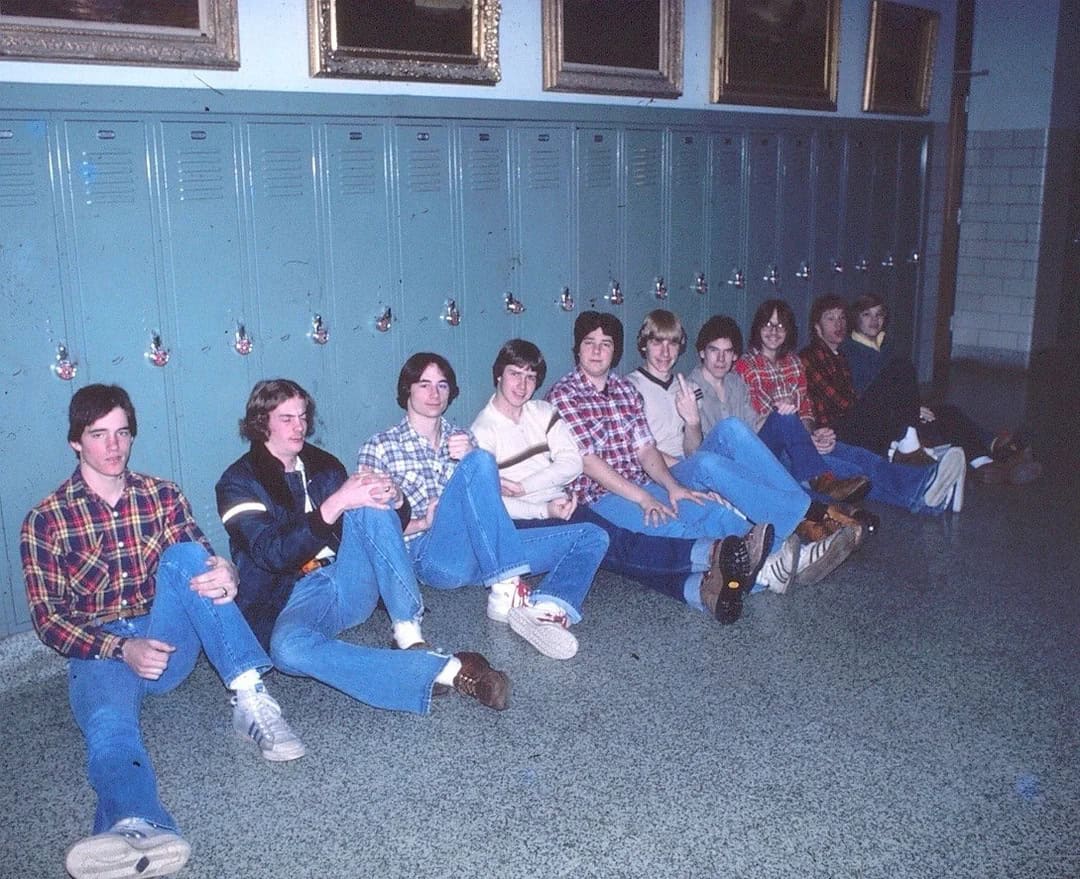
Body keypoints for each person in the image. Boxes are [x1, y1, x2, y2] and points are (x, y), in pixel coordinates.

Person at [21, 384, 304, 879]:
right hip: (103, 649)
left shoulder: (161, 495)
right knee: (110, 729)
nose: (114, 446)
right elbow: (49, 619)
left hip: (165, 635)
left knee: (188, 557)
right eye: (99, 434)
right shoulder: (46, 520)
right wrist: (120, 646)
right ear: (75, 442)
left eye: (122, 433)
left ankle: (250, 698)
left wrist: (225, 572)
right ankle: (137, 825)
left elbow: (200, 562)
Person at [215, 379, 511, 717]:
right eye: (287, 418)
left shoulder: (323, 464)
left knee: (368, 497)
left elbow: (375, 527)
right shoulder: (237, 482)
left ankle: (408, 632)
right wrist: (337, 502)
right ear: (261, 422)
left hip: (348, 575)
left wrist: (397, 500)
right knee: (287, 651)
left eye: (303, 416)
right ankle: (450, 669)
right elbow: (271, 553)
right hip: (291, 593)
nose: (299, 427)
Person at [472, 339, 777, 618]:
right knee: (621, 545)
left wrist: (525, 487)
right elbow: (493, 505)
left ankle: (699, 590)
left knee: (625, 554)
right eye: (515, 374)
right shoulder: (482, 433)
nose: (522, 384)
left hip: (563, 503)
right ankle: (714, 554)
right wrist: (543, 508)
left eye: (530, 376)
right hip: (532, 517)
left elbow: (571, 462)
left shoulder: (541, 411)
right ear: (498, 375)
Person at [358, 353, 608, 660]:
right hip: (434, 557)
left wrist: (545, 509)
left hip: (484, 554)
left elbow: (491, 507)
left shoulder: (464, 439)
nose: (434, 394)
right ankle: (507, 587)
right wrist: (423, 522)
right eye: (424, 384)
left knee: (592, 535)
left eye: (442, 385)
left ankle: (546, 608)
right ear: (406, 390)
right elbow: (372, 530)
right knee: (480, 460)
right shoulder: (379, 446)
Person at [544, 311, 773, 624]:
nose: (597, 351)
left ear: (615, 350)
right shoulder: (563, 394)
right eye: (589, 343)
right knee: (672, 526)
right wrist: (644, 498)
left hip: (643, 482)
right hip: (600, 497)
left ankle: (764, 562)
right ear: (577, 349)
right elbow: (589, 463)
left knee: (707, 509)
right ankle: (751, 577)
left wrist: (673, 486)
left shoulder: (624, 390)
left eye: (606, 343)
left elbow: (646, 448)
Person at [624, 310, 860, 591]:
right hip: (660, 474)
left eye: (672, 343)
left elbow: (694, 448)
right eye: (657, 343)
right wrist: (699, 471)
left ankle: (809, 507)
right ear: (643, 345)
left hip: (690, 463)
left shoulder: (685, 386)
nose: (665, 352)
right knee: (708, 463)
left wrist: (692, 422)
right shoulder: (629, 388)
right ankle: (810, 512)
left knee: (732, 428)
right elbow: (641, 449)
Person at [694, 311, 967, 517]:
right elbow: (704, 450)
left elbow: (757, 424)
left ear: (734, 356)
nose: (721, 359)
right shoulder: (699, 387)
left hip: (781, 446)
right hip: (751, 464)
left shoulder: (735, 382)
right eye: (714, 351)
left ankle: (928, 491)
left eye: (727, 352)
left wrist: (803, 434)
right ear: (701, 353)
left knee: (856, 456)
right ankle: (922, 488)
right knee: (849, 471)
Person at [843, 293, 1041, 485]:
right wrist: (909, 408)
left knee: (948, 413)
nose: (874, 320)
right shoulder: (850, 350)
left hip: (900, 414)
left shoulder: (886, 345)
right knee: (938, 415)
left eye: (879, 314)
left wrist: (913, 406)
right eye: (867, 314)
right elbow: (869, 396)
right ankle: (994, 455)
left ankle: (988, 459)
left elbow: (902, 389)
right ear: (856, 318)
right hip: (879, 422)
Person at [799, 295, 966, 512]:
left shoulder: (839, 356)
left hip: (852, 424)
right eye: (830, 319)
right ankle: (911, 449)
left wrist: (899, 405)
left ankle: (935, 472)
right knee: (900, 369)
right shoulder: (810, 357)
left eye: (841, 318)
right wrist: (889, 403)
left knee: (938, 412)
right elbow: (843, 403)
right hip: (833, 432)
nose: (838, 324)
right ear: (817, 327)